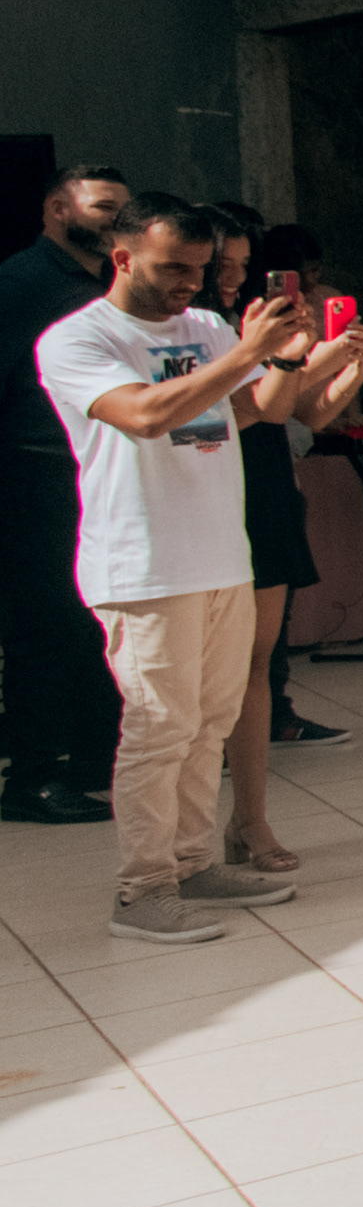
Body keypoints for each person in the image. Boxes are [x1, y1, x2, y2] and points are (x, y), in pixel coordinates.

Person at [34, 193, 309, 944]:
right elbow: (147, 416)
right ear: (123, 259)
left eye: (201, 268)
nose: (192, 283)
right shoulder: (75, 338)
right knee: (158, 728)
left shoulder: (208, 328)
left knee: (210, 722)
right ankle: (142, 890)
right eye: (173, 268)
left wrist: (288, 356)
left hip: (221, 555)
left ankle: (192, 863)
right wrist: (246, 355)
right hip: (142, 564)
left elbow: (253, 411)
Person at [204, 217, 363, 873]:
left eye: (241, 265)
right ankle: (185, 843)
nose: (231, 276)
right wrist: (307, 358)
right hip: (210, 497)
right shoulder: (193, 331)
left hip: (266, 488)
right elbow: (251, 405)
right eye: (220, 264)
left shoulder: (245, 321)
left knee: (255, 665)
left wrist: (348, 369)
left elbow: (302, 411)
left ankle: (250, 819)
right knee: (202, 682)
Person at [1, 165, 126, 825]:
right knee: (43, 628)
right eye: (103, 206)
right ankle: (33, 777)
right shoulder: (21, 282)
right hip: (34, 478)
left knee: (88, 624)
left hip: (91, 474)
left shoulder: (104, 284)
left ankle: (90, 761)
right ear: (57, 208)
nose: (116, 220)